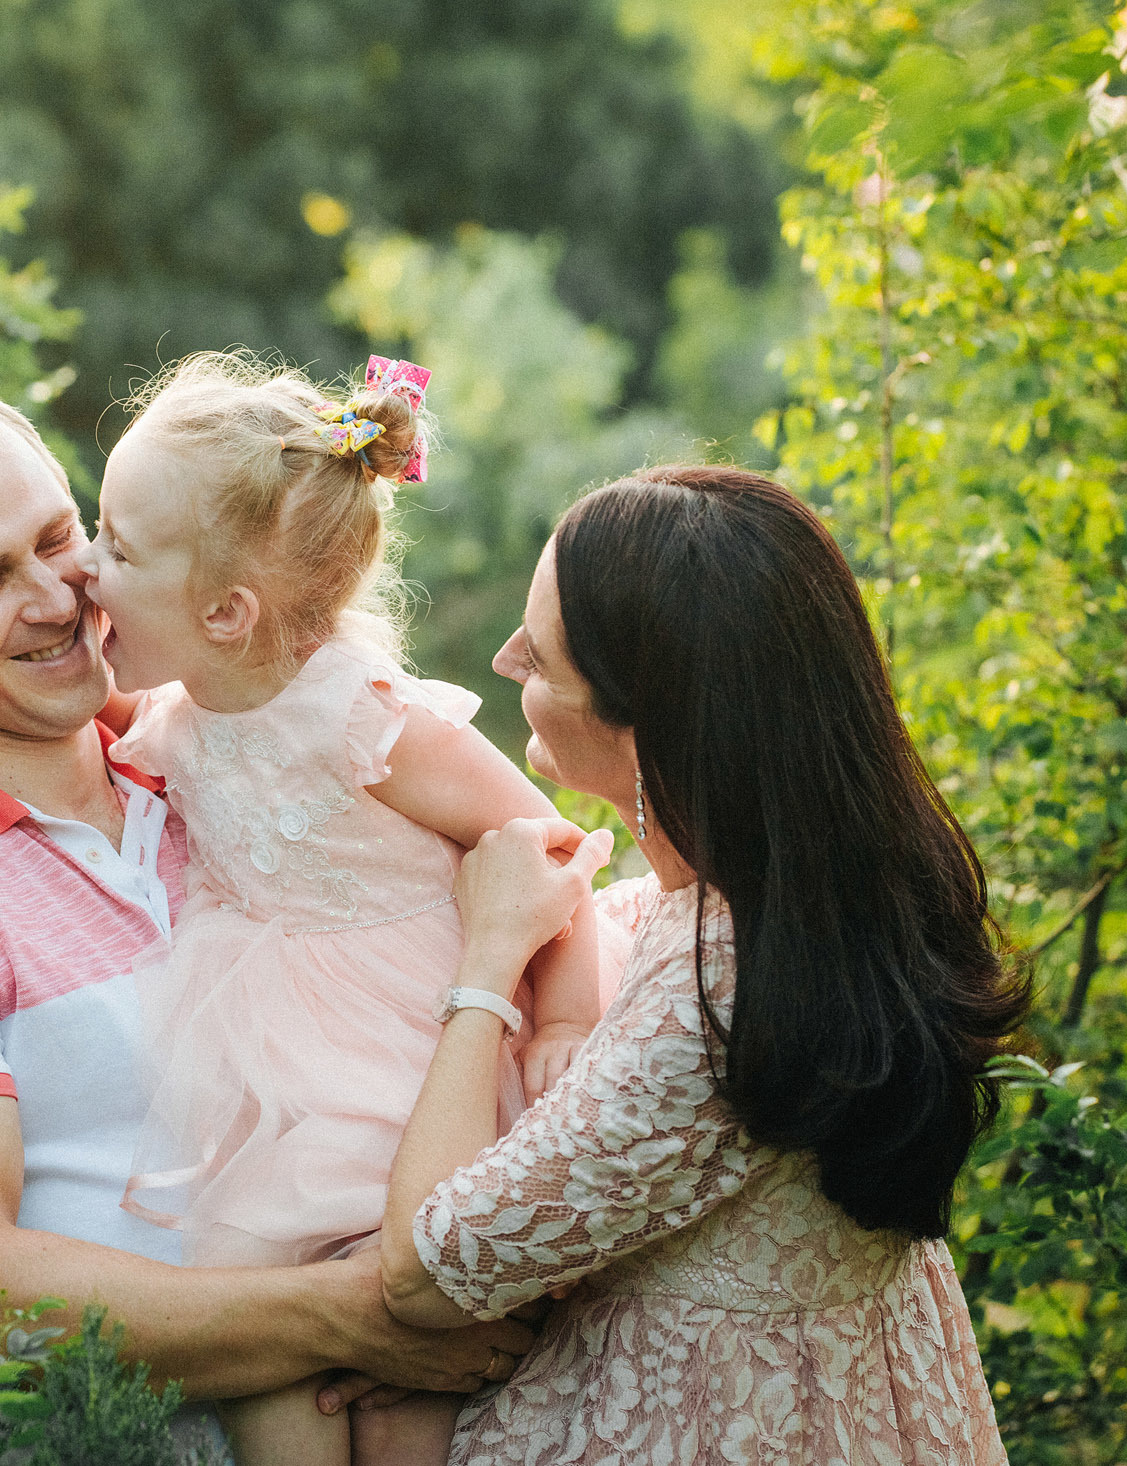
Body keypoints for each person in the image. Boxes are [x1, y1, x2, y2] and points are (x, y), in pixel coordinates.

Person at [0, 370, 536, 1452]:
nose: (60, 595)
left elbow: (523, 884)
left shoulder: (236, 746)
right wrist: (355, 1313)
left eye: (58, 534)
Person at [378, 465, 1027, 1464]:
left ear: (651, 724)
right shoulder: (817, 905)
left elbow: (424, 1268)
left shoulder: (711, 989)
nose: (507, 660)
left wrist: (489, 956)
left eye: (544, 657)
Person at [78, 352, 612, 1466]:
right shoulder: (173, 714)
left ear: (225, 610)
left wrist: (563, 1021)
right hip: (266, 1075)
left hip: (413, 1072)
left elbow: (541, 847)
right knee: (274, 1357)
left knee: (404, 1378)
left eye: (115, 546)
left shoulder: (364, 719)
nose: (84, 567)